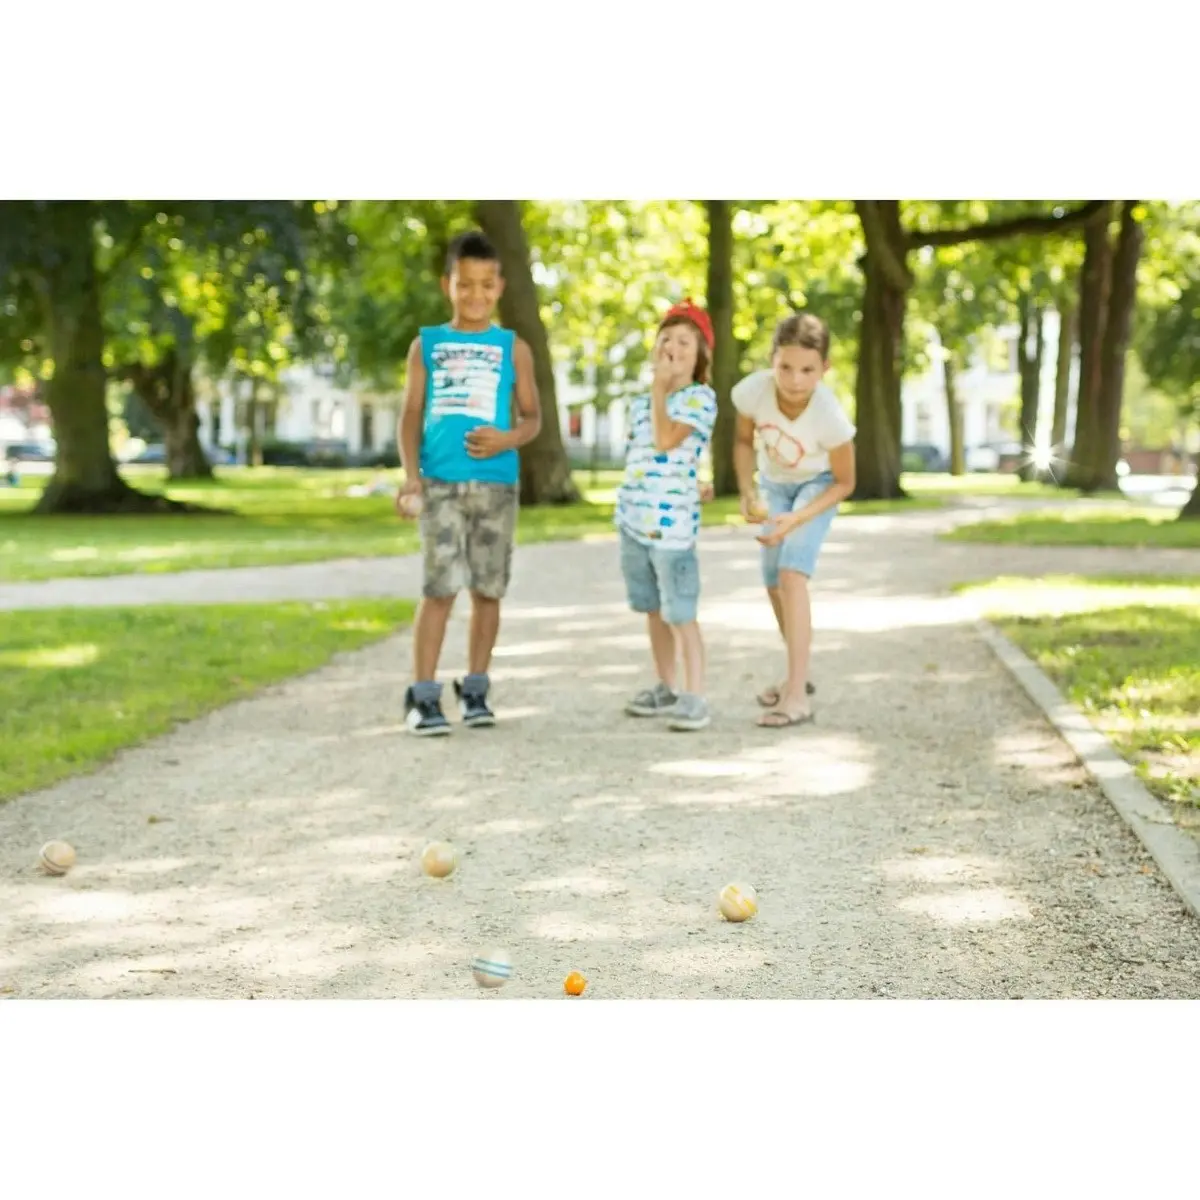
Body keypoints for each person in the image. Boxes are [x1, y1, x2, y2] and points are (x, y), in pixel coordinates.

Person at [395, 230, 542, 737]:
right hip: (438, 485)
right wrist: (411, 477)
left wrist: (505, 439)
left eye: (485, 285)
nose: (475, 295)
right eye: (465, 285)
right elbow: (410, 415)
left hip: (496, 486)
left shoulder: (513, 349)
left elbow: (533, 419)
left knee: (488, 590)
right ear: (448, 285)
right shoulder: (427, 345)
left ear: (500, 286)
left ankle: (476, 686)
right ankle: (423, 695)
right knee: (439, 589)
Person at [732, 312, 856, 729]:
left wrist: (797, 519)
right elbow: (742, 440)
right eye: (785, 366)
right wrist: (748, 491)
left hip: (817, 486)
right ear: (772, 360)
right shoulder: (753, 392)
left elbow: (845, 482)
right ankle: (796, 671)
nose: (795, 379)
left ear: (825, 368)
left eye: (808, 369)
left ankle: (797, 696)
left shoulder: (830, 417)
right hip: (775, 483)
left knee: (791, 575)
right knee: (771, 580)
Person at [615, 299, 719, 732]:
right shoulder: (640, 404)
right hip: (635, 523)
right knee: (653, 609)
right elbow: (641, 458)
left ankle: (695, 696)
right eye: (666, 339)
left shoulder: (699, 399)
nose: (673, 348)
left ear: (699, 361)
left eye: (684, 343)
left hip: (672, 530)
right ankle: (666, 685)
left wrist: (660, 390)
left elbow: (665, 441)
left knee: (680, 611)